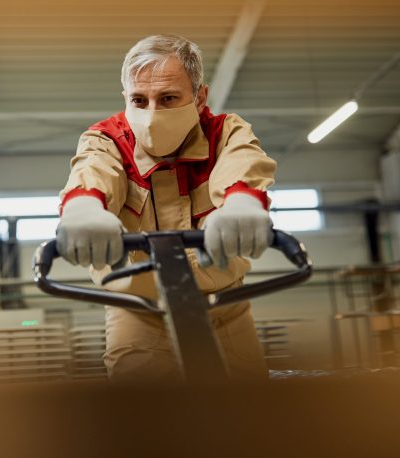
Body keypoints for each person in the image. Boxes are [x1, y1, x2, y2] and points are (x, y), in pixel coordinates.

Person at [56, 34, 276, 382]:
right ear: (125, 99)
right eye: (139, 100)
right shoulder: (107, 140)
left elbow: (244, 162)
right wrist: (84, 208)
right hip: (138, 309)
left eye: (169, 98)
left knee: (247, 409)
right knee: (146, 412)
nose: (152, 114)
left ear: (200, 97)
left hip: (223, 306)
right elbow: (92, 169)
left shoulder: (225, 133)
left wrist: (241, 201)